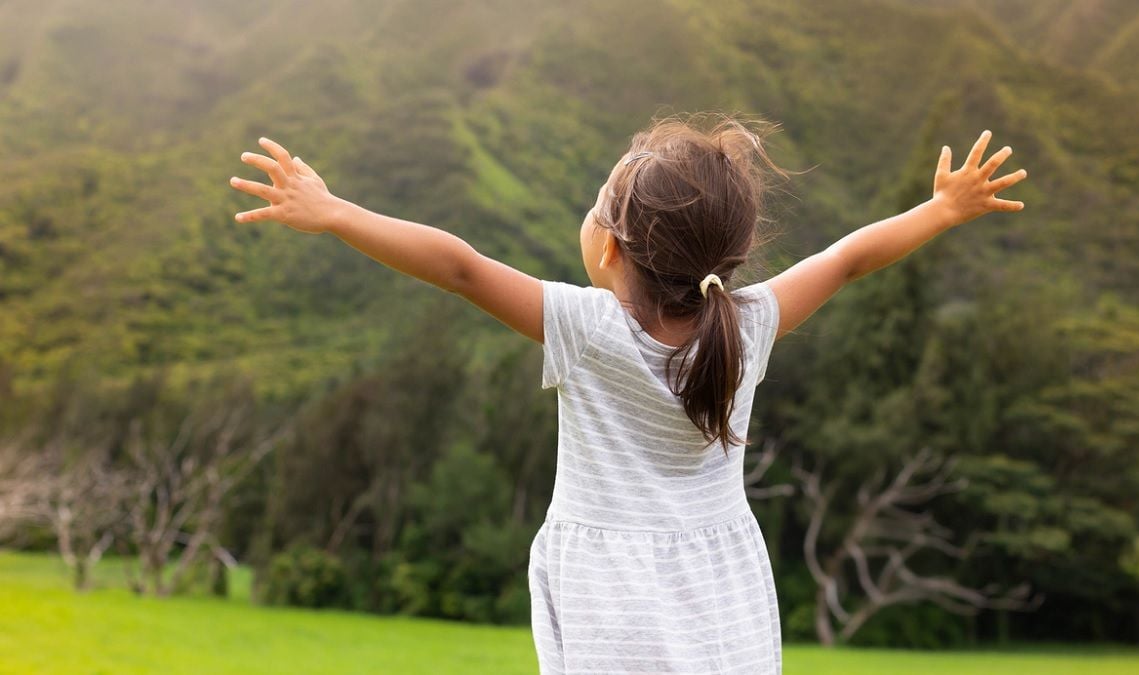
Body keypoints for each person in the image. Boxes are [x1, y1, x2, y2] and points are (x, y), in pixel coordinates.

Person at [228, 112, 1026, 673]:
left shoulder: (586, 327)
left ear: (608, 246)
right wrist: (941, 208)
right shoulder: (749, 324)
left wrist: (334, 213)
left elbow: (460, 264)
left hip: (614, 600)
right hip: (724, 591)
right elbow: (848, 258)